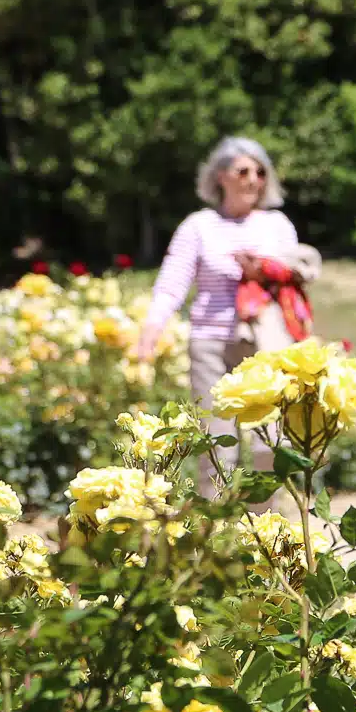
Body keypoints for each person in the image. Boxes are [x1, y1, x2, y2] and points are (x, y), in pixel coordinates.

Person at [136, 136, 300, 497]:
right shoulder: (199, 225)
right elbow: (173, 281)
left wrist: (263, 271)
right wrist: (152, 327)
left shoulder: (278, 225)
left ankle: (269, 528)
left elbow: (295, 278)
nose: (253, 179)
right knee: (216, 443)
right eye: (243, 170)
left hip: (264, 344)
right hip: (209, 343)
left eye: (260, 171)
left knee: (269, 442)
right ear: (220, 176)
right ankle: (214, 532)